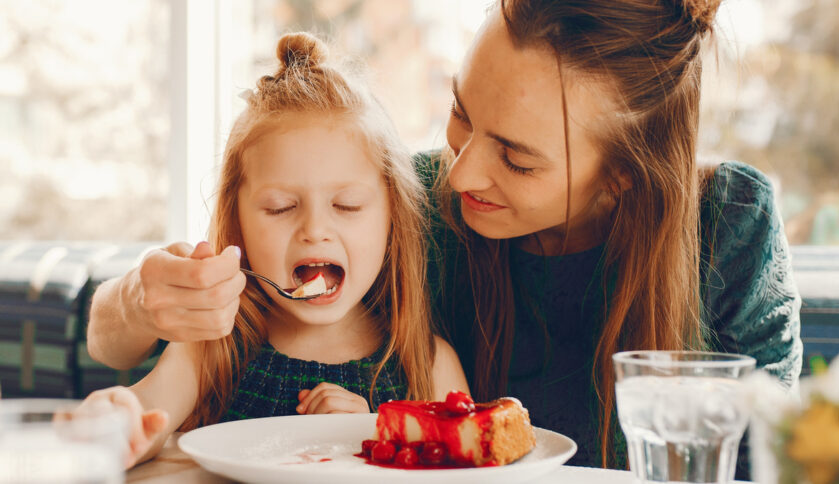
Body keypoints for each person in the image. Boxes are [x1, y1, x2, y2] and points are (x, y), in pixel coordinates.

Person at [86, 0, 801, 471]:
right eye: (461, 114)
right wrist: (139, 300)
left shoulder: (730, 229)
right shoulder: (399, 204)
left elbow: (772, 461)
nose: (459, 178)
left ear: (622, 178)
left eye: (516, 157)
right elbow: (122, 339)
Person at [79, 32, 468, 468]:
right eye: (281, 208)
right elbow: (146, 418)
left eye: (347, 205)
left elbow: (462, 469)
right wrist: (116, 420)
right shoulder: (212, 346)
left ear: (393, 218)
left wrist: (371, 438)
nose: (315, 230)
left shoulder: (427, 364)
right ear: (238, 221)